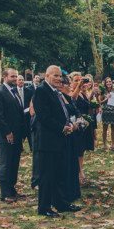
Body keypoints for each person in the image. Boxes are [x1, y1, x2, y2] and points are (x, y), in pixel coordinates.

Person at [32, 65, 80, 217]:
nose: (59, 79)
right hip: (47, 142)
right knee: (46, 176)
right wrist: (62, 128)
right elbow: (43, 116)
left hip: (59, 140)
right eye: (56, 76)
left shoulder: (56, 92)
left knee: (59, 174)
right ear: (47, 76)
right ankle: (44, 207)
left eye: (60, 76)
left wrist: (69, 124)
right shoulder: (41, 91)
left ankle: (60, 203)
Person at [0, 68, 27, 202]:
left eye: (16, 76)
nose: (15, 79)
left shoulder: (14, 92)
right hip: (5, 135)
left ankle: (12, 190)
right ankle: (5, 194)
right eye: (12, 76)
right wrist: (7, 132)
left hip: (16, 135)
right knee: (5, 164)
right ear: (5, 77)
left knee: (14, 163)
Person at [74, 75, 96, 183]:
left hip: (86, 124)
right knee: (78, 149)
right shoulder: (74, 94)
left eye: (82, 81)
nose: (81, 83)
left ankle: (80, 170)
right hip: (77, 124)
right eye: (77, 81)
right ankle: (79, 172)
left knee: (82, 150)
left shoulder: (83, 94)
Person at [100, 77, 114, 150]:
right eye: (107, 82)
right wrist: (106, 98)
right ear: (105, 83)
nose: (109, 83)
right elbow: (100, 102)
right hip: (106, 111)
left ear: (112, 82)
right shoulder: (102, 91)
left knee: (113, 128)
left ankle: (113, 144)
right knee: (105, 128)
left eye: (110, 81)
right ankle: (104, 144)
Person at [17, 74, 35, 150]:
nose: (21, 81)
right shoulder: (13, 91)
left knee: (29, 131)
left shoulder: (29, 91)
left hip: (28, 115)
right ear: (16, 81)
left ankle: (32, 147)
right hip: (17, 116)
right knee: (19, 132)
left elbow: (32, 102)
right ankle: (20, 147)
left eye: (22, 80)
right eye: (19, 80)